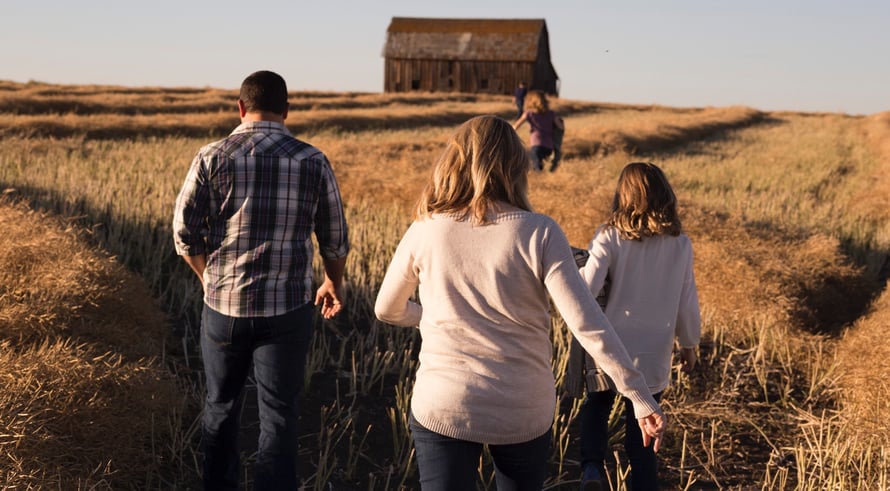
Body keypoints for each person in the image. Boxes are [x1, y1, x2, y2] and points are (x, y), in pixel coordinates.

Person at [374, 115, 666, 491]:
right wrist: (638, 396)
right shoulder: (540, 231)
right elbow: (586, 323)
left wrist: (431, 316)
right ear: (516, 165)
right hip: (522, 409)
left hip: (444, 403)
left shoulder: (426, 228)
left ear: (454, 162)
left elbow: (387, 309)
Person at [172, 70, 349, 490]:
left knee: (220, 407)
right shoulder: (312, 160)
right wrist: (332, 282)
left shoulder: (212, 156)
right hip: (287, 311)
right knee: (280, 414)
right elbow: (335, 239)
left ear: (240, 107)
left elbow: (184, 233)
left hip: (223, 309)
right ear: (287, 111)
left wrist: (207, 278)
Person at [573, 162, 701, 490]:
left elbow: (586, 290)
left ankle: (591, 468)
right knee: (642, 430)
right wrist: (689, 343)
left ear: (623, 195)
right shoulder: (680, 243)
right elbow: (687, 298)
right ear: (665, 195)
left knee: (598, 403)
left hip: (611, 343)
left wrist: (577, 270)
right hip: (655, 348)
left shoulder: (610, 236)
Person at [513, 90, 564, 172]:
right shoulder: (551, 113)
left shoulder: (529, 113)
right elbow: (560, 127)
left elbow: (515, 126)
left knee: (536, 169)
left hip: (536, 144)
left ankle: (540, 180)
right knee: (544, 167)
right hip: (549, 146)